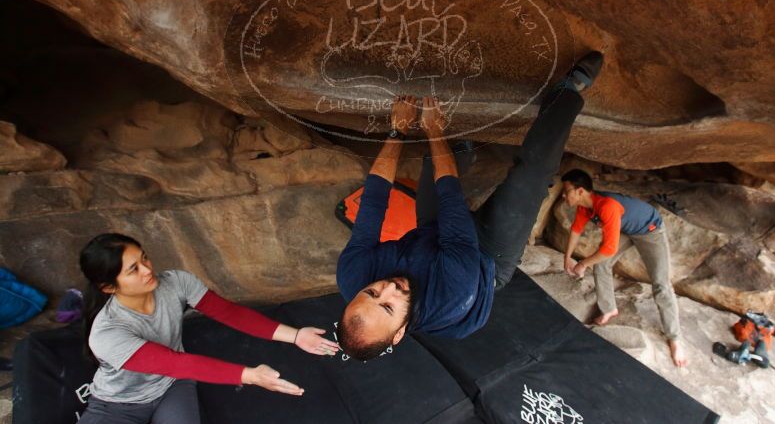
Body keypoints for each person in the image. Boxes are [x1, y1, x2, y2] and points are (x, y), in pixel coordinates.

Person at [336, 51, 603, 360]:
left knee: (434, 168)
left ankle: (463, 148)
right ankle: (567, 93)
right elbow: (450, 200)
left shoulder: (353, 275)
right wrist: (433, 129)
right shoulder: (451, 295)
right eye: (387, 305)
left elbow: (373, 201)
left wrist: (398, 130)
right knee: (529, 177)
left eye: (371, 292)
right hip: (487, 257)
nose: (388, 288)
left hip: (431, 240)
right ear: (399, 333)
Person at [78, 233, 340, 424]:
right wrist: (250, 375)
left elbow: (230, 313)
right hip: (119, 403)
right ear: (109, 287)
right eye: (133, 269)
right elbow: (174, 363)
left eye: (144, 258)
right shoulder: (107, 332)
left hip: (173, 387)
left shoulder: (176, 281)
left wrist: (295, 336)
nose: (148, 269)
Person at [560, 169, 688, 367]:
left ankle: (675, 338)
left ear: (580, 191)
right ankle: (609, 309)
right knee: (601, 264)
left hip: (649, 230)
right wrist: (567, 258)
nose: (563, 195)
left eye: (566, 190)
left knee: (661, 283)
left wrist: (583, 263)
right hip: (626, 228)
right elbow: (576, 229)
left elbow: (609, 248)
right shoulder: (585, 207)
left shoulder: (607, 206)